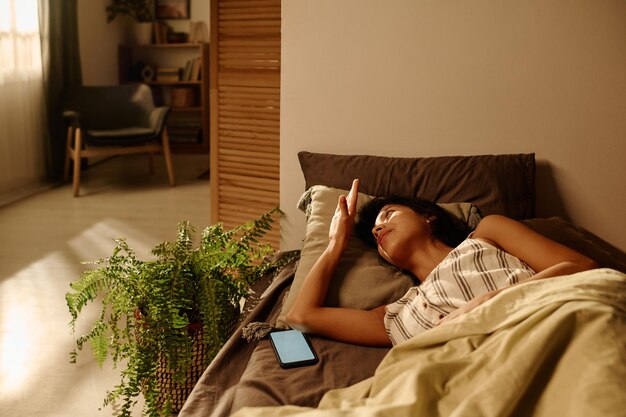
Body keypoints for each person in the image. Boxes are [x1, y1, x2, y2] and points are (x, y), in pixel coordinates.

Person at [286, 179, 598, 347]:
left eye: (388, 214)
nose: (378, 228)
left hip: (552, 335)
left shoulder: (488, 234)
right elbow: (302, 315)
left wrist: (486, 303)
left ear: (428, 216)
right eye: (373, 231)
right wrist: (336, 241)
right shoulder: (396, 316)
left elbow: (582, 266)